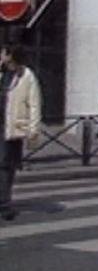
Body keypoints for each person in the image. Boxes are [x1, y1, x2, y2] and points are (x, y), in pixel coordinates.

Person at [0, 45, 42, 221]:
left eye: (3, 52)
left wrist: (33, 129)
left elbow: (34, 103)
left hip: (13, 128)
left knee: (7, 167)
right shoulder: (2, 73)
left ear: (10, 56)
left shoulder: (26, 76)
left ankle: (4, 204)